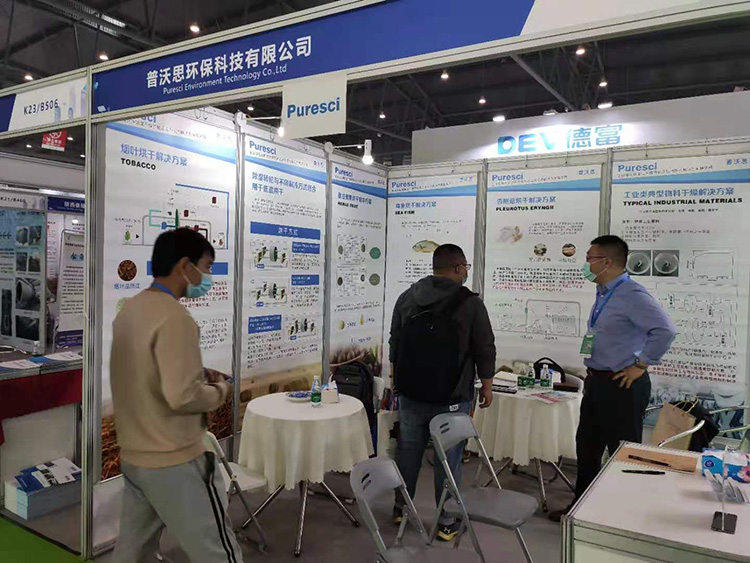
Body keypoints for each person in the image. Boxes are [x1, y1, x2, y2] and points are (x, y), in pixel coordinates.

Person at [111, 228, 242, 563]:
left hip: (136, 455)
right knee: (216, 550)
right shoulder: (175, 317)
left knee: (133, 552)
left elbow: (145, 376)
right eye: (207, 266)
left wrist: (196, 374)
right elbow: (182, 397)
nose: (208, 277)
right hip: (175, 459)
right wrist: (221, 390)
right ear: (185, 266)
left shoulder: (131, 309)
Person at [550, 235, 676, 521]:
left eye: (589, 258)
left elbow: (665, 331)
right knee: (587, 447)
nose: (586, 264)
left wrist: (641, 364)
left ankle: (623, 515)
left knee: (623, 452)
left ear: (606, 262)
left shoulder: (631, 294)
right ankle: (581, 509)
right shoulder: (604, 292)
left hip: (622, 384)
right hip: (597, 381)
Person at [389, 243, 496, 541]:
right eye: (466, 268)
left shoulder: (407, 297)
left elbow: (395, 341)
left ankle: (400, 509)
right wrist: (487, 386)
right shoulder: (470, 303)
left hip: (411, 393)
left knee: (408, 452)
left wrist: (396, 380)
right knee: (448, 458)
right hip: (453, 395)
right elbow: (485, 347)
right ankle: (447, 521)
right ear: (459, 268)